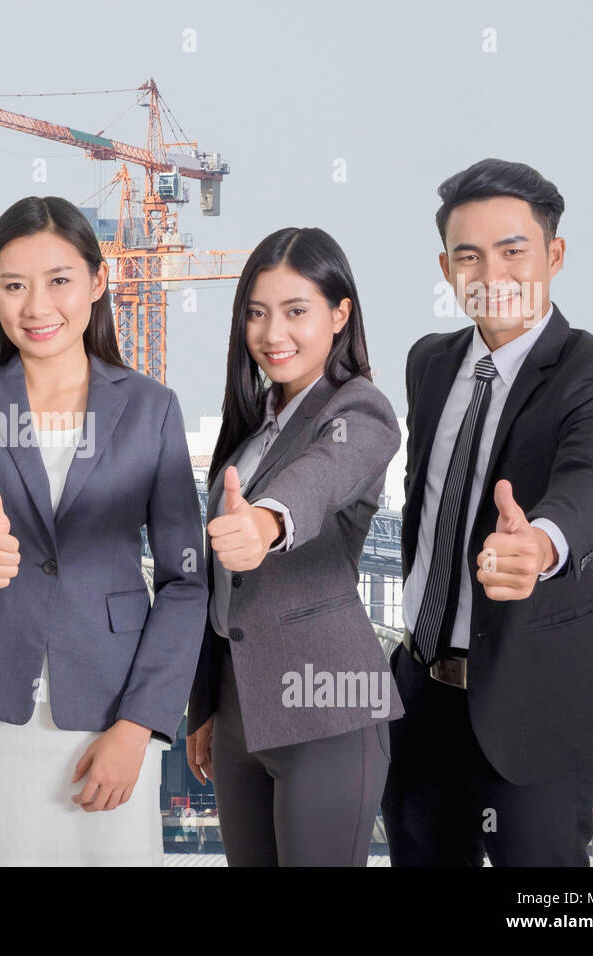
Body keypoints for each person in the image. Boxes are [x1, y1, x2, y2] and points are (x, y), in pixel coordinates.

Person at [0, 195, 208, 866]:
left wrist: (139, 727)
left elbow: (185, 582)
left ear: (98, 283)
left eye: (59, 281)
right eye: (13, 285)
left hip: (110, 708)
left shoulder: (151, 409)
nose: (36, 306)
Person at [382, 158, 593, 866]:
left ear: (554, 255)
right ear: (446, 267)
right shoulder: (430, 363)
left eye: (513, 250)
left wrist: (546, 542)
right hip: (419, 694)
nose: (490, 272)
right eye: (468, 254)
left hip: (536, 701)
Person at [184, 227, 402, 865]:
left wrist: (266, 522)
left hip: (328, 706)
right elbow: (216, 588)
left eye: (295, 311)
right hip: (239, 708)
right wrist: (207, 705)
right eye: (257, 313)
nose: (273, 332)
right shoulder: (251, 428)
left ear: (340, 314)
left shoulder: (359, 410)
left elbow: (323, 476)